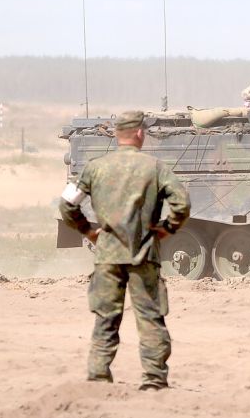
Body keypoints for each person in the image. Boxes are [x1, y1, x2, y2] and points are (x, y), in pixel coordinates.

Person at [59, 110, 191, 391]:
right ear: (140, 133)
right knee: (150, 318)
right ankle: (154, 380)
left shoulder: (95, 167)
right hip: (144, 254)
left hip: (107, 254)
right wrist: (167, 228)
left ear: (117, 135)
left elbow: (67, 204)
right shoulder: (155, 167)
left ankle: (98, 377)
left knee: (105, 318)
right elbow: (182, 202)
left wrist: (88, 230)